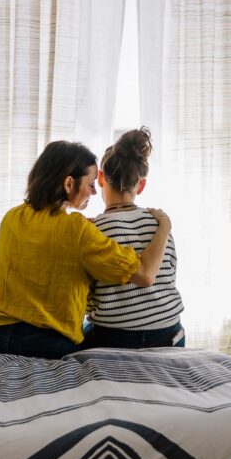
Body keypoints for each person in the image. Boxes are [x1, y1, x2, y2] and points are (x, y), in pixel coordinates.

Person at [0, 140, 171, 359]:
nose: (94, 191)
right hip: (41, 344)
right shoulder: (77, 229)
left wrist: (83, 233)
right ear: (69, 184)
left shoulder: (12, 216)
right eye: (91, 183)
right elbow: (145, 274)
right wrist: (165, 226)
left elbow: (43, 255)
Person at [83, 128, 185, 349]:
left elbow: (87, 295)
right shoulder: (161, 224)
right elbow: (169, 277)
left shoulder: (93, 229)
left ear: (100, 178)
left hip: (116, 337)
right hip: (169, 334)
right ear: (141, 184)